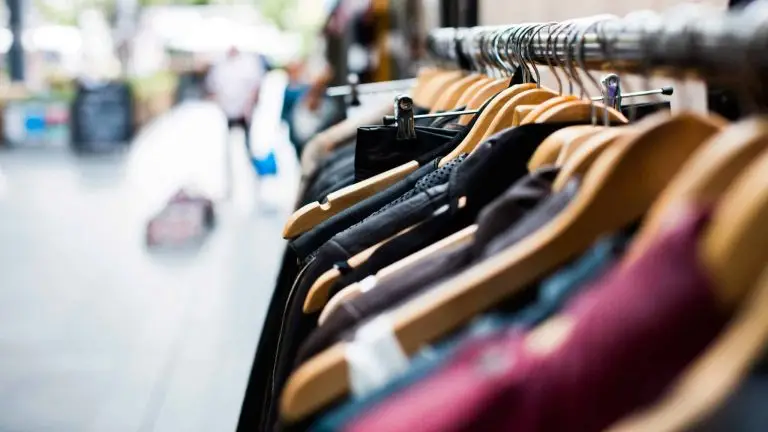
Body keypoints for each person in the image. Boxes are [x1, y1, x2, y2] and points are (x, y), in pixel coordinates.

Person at [206, 45, 266, 166]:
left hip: (243, 110)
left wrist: (249, 105)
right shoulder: (221, 66)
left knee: (247, 142)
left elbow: (255, 87)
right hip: (227, 110)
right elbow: (212, 88)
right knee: (227, 141)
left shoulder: (248, 65)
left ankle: (250, 164)